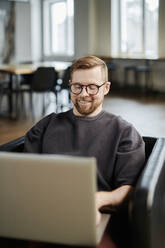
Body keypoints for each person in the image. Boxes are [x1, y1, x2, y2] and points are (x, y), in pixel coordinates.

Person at [24, 55, 145, 227]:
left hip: (96, 216)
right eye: (77, 86)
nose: (83, 94)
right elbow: (26, 173)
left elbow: (129, 189)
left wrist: (97, 200)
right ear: (70, 85)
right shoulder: (46, 125)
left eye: (92, 87)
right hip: (45, 213)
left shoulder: (124, 132)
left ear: (106, 88)